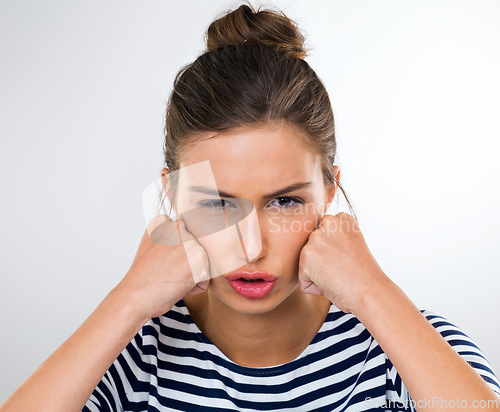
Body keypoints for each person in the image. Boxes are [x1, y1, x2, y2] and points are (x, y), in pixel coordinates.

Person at [1, 3, 500, 412]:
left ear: (329, 193)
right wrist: (126, 302)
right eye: (217, 204)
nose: (251, 247)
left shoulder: (405, 343)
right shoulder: (130, 353)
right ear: (172, 197)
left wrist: (373, 293)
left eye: (285, 201)